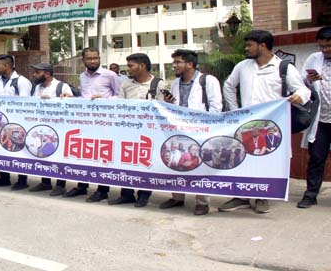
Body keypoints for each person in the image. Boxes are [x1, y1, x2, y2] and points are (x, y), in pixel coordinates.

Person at [221, 30, 311, 214]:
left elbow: (303, 90)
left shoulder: (283, 67)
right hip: (246, 123)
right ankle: (242, 196)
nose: (246, 48)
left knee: (267, 158)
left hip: (272, 125)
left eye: (249, 45)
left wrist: (298, 97)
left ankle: (262, 197)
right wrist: (235, 110)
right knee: (243, 158)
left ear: (262, 46)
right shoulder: (243, 66)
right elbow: (229, 86)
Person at [160, 49, 223, 216]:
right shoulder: (175, 83)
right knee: (176, 162)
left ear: (190, 64)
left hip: (201, 130)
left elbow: (216, 107)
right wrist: (168, 103)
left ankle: (202, 202)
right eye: (174, 63)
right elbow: (174, 107)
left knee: (199, 165)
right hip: (179, 129)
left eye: (178, 62)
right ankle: (178, 197)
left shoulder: (207, 81)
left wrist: (203, 124)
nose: (174, 66)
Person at [65, 47, 122, 203]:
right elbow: (84, 96)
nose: (93, 61)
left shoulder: (110, 75)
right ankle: (82, 186)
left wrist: (103, 99)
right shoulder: (82, 76)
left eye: (95, 58)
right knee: (84, 155)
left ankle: (102, 190)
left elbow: (119, 96)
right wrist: (70, 98)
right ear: (83, 60)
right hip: (86, 122)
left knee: (102, 156)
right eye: (89, 58)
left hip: (105, 123)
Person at [108, 53, 163, 207]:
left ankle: (144, 195)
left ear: (142, 66)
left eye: (131, 66)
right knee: (126, 162)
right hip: (129, 131)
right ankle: (126, 194)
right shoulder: (126, 84)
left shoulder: (158, 84)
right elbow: (120, 104)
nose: (128, 69)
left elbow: (163, 109)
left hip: (150, 133)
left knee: (146, 163)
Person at [298, 26, 331, 208]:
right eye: (322, 46)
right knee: (317, 157)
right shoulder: (314, 59)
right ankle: (310, 195)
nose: (325, 50)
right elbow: (301, 82)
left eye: (328, 46)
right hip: (321, 121)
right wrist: (308, 81)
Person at [27, 62, 72, 196]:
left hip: (58, 127)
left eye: (37, 72)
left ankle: (60, 184)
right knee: (43, 153)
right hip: (43, 127)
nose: (34, 75)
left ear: (47, 74)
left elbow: (70, 104)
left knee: (59, 156)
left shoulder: (62, 86)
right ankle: (45, 181)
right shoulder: (37, 88)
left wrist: (54, 100)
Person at [0, 54, 32, 190]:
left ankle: (22, 179)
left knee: (19, 149)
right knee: (2, 149)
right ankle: (4, 177)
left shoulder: (21, 82)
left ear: (6, 66)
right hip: (2, 123)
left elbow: (26, 104)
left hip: (18, 123)